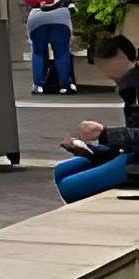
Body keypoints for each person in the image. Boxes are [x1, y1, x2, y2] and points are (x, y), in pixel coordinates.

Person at [57, 34, 139, 202]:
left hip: (134, 161)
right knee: (62, 171)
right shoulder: (129, 85)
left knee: (69, 186)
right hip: (131, 155)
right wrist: (90, 150)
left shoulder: (132, 85)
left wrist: (104, 134)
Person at [25, 0, 79, 97]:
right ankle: (64, 86)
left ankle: (38, 86)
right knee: (62, 52)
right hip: (60, 20)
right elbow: (73, 9)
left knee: (38, 52)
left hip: (36, 20)